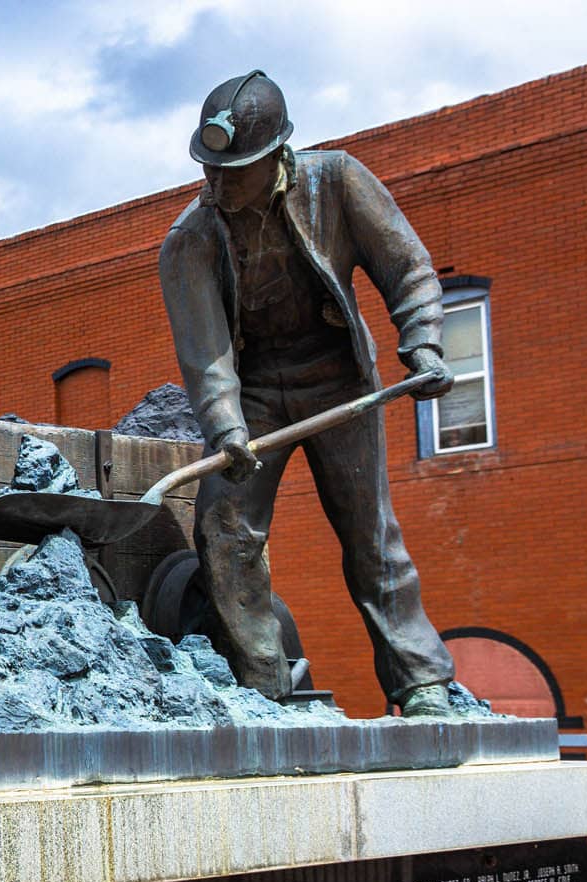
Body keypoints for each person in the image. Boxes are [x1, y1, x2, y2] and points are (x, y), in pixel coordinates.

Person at [158, 70, 457, 716]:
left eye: (233, 171)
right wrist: (226, 428)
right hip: (254, 394)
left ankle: (421, 680)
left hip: (338, 379)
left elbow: (407, 267)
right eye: (209, 169)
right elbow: (207, 355)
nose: (217, 183)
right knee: (223, 529)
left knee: (370, 535)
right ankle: (262, 684)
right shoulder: (190, 239)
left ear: (275, 157)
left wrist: (423, 343)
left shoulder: (339, 182)